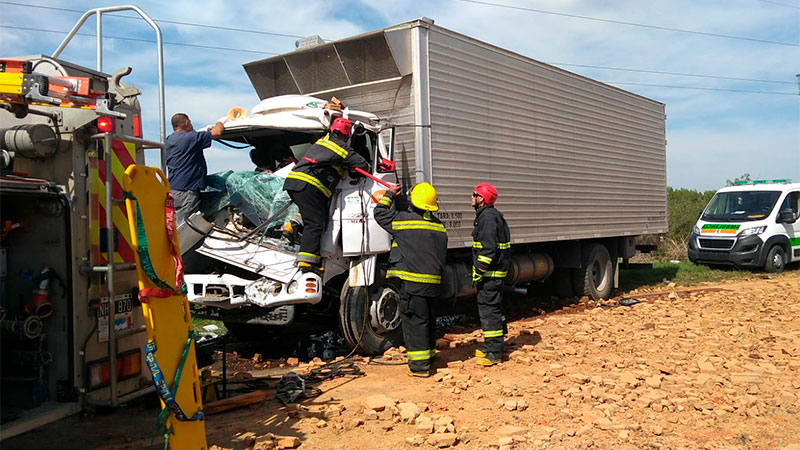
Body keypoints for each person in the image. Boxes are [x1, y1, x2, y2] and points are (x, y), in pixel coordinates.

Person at [374, 182, 448, 377]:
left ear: (413, 202)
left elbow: (379, 213)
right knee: (428, 320)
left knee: (415, 322)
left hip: (413, 283)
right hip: (433, 282)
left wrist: (389, 194)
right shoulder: (438, 226)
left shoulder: (404, 221)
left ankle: (419, 366)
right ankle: (429, 355)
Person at [282, 117, 370, 274]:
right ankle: (307, 262)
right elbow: (363, 165)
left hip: (295, 183)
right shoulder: (341, 147)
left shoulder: (324, 140)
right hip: (309, 185)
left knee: (314, 211)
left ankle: (292, 225)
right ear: (346, 135)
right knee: (315, 223)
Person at [471, 182, 511, 366]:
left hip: (490, 275)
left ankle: (494, 353)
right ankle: (493, 346)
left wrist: (479, 269)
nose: (471, 198)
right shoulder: (490, 216)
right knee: (494, 308)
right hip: (495, 274)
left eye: (474, 195)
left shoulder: (487, 218)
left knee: (489, 311)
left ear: (482, 199)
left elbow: (488, 249)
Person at [165, 113, 223, 225]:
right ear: (187, 123)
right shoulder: (190, 138)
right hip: (186, 191)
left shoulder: (170, 139)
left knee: (175, 225)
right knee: (185, 227)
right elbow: (217, 132)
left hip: (173, 190)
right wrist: (220, 122)